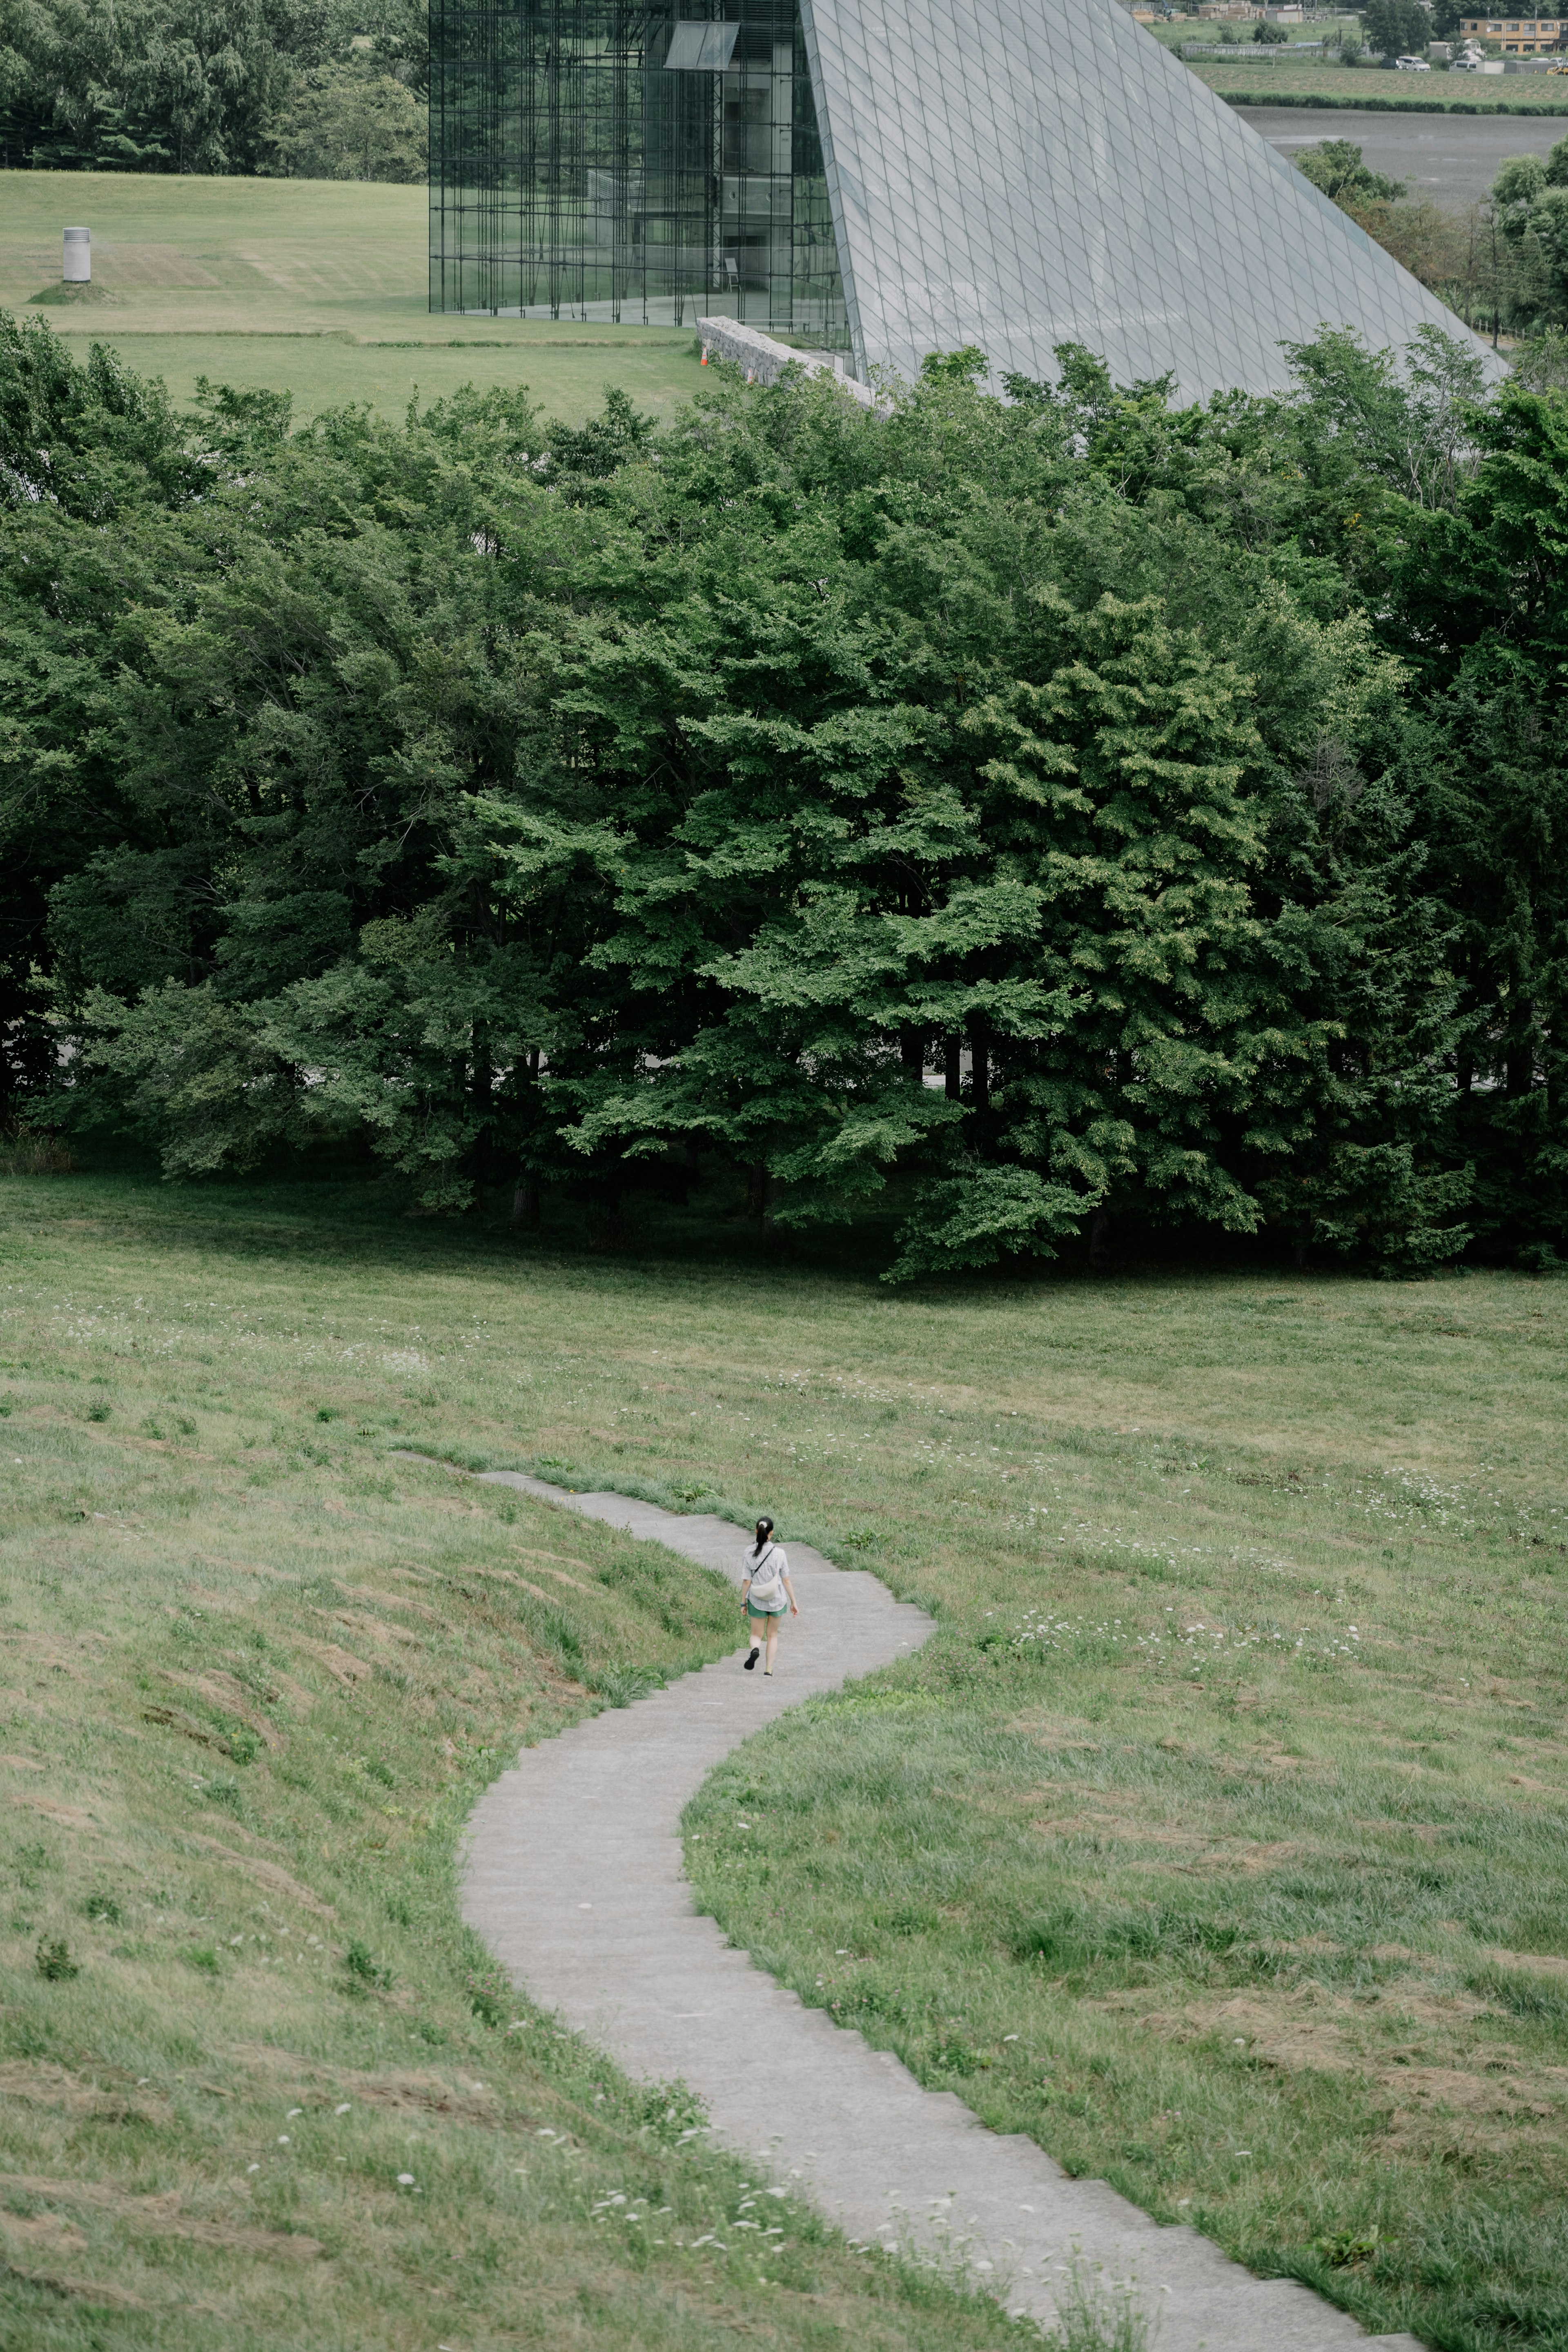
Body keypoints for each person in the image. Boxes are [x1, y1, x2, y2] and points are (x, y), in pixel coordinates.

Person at [740, 1516, 797, 1675]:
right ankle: (769, 1671)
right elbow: (786, 1580)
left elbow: (746, 1582)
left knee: (756, 1635)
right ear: (771, 1533)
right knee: (772, 1636)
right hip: (777, 1600)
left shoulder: (748, 1552)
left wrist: (743, 1603)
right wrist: (794, 1602)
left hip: (757, 1600)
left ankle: (755, 1650)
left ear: (756, 1531)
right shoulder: (780, 1553)